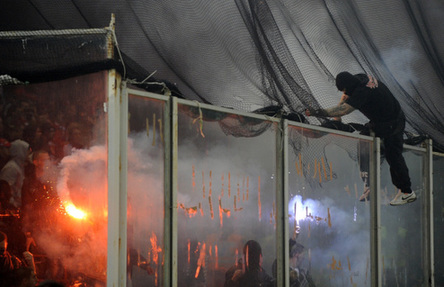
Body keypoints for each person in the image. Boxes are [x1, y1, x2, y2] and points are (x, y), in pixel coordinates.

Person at [305, 72, 416, 206]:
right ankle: (370, 186)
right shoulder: (359, 78)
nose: (344, 93)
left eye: (344, 89)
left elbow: (344, 109)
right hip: (380, 122)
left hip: (393, 123)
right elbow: (345, 97)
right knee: (364, 143)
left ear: (348, 85)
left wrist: (319, 112)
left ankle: (406, 192)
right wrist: (337, 118)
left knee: (393, 155)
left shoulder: (362, 92)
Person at [0, 139, 31, 208]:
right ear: (20, 151)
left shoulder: (19, 167)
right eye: (26, 151)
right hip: (11, 209)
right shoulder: (11, 168)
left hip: (17, 207)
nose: (29, 154)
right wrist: (12, 205)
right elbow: (5, 190)